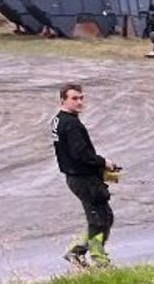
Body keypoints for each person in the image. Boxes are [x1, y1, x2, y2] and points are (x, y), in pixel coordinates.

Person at [52, 83, 119, 269]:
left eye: (81, 98)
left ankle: (79, 250)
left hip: (76, 176)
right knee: (100, 220)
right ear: (63, 100)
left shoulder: (58, 120)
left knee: (104, 217)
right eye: (74, 98)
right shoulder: (71, 124)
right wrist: (103, 162)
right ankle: (96, 258)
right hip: (83, 179)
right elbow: (80, 154)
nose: (80, 102)